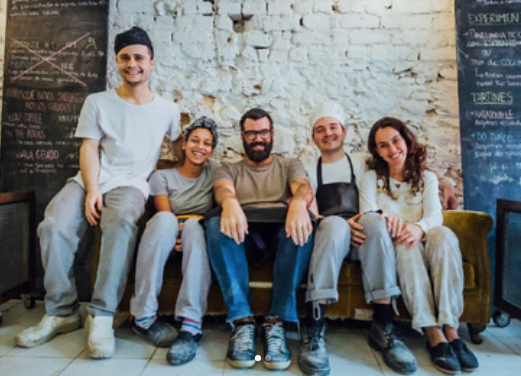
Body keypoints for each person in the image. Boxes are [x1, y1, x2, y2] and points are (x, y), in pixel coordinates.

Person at [14, 26, 182, 359]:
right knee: (52, 226)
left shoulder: (167, 109)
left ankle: (102, 315)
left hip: (133, 184)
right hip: (91, 178)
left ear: (152, 63)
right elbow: (89, 147)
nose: (131, 64)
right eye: (124, 57)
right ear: (117, 62)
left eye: (138, 57)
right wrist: (92, 189)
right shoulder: (97, 101)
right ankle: (62, 312)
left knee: (118, 225)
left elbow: (179, 149)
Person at [300, 102, 417, 376]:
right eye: (320, 130)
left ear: (345, 131)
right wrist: (339, 224)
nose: (327, 134)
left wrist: (444, 183)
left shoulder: (364, 163)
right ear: (314, 137)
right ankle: (314, 325)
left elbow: (403, 173)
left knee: (375, 221)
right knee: (334, 226)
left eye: (333, 127)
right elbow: (307, 208)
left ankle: (383, 324)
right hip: (328, 237)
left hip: (362, 236)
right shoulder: (306, 168)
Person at [359, 117, 478, 374]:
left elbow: (435, 215)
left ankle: (451, 330)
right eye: (383, 145)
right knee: (406, 246)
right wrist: (386, 218)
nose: (392, 150)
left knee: (444, 234)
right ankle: (432, 332)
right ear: (376, 151)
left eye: (395, 141)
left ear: (406, 140)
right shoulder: (371, 178)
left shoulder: (426, 177)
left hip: (425, 235)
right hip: (398, 243)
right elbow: (367, 212)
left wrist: (418, 228)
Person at [205, 108, 315, 371]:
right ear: (242, 136)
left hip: (281, 234)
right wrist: (230, 203)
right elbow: (222, 189)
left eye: (263, 132)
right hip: (243, 235)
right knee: (214, 222)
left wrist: (299, 203)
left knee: (305, 222)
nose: (258, 138)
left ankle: (276, 322)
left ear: (272, 134)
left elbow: (302, 186)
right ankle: (242, 322)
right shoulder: (228, 168)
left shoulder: (289, 164)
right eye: (252, 133)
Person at [129, 117, 219, 366]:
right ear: (184, 144)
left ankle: (191, 323)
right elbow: (165, 214)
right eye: (195, 141)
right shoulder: (162, 177)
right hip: (166, 237)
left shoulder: (216, 173)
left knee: (194, 225)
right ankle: (143, 317)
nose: (200, 147)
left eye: (207, 143)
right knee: (167, 220)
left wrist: (188, 228)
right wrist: (177, 232)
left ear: (211, 150)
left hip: (196, 239)